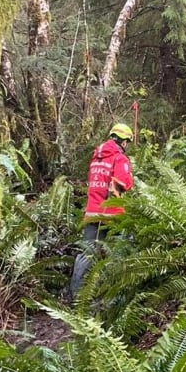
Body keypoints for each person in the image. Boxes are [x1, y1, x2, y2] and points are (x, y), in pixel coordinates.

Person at [69, 123, 134, 299]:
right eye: (127, 141)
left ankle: (76, 297)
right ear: (123, 141)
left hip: (92, 213)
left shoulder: (96, 158)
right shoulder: (119, 159)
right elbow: (123, 184)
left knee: (86, 254)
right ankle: (113, 297)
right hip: (112, 215)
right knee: (118, 252)